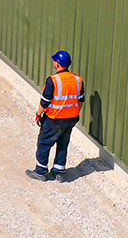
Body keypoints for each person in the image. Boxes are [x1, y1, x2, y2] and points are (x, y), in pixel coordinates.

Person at [27, 50, 84, 183]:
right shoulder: (78, 79)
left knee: (44, 143)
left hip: (54, 118)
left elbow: (45, 102)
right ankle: (59, 173)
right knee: (63, 143)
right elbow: (80, 101)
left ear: (57, 64)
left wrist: (38, 114)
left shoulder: (53, 80)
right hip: (71, 119)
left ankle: (41, 171)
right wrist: (72, 113)